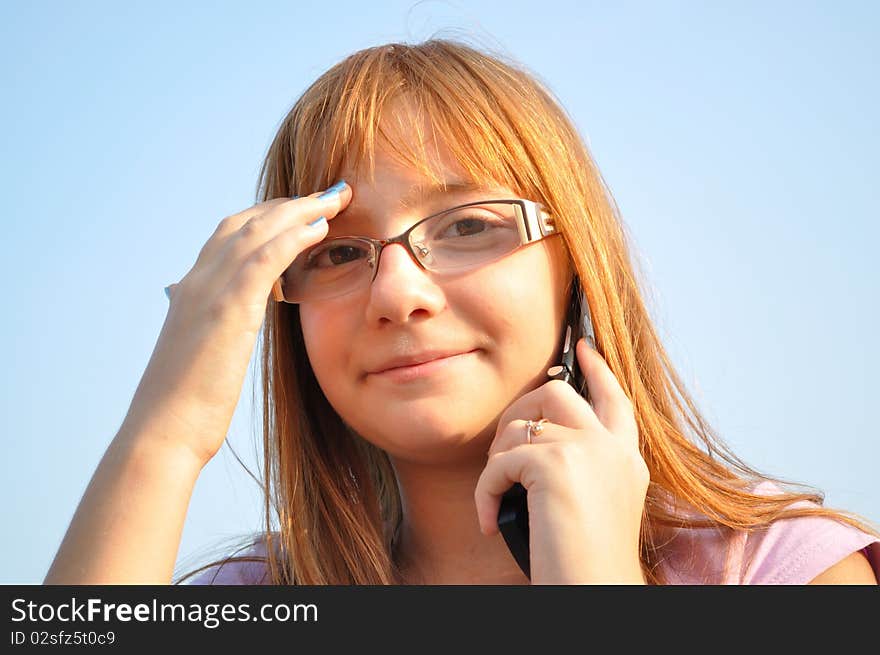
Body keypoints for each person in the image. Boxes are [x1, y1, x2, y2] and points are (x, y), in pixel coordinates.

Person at [45, 39, 878, 586]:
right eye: (337, 251)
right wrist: (164, 434)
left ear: (578, 269)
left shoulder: (779, 569)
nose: (398, 292)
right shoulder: (248, 596)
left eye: (468, 226)